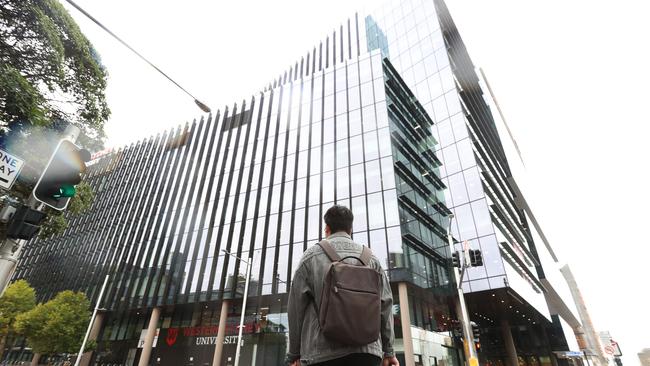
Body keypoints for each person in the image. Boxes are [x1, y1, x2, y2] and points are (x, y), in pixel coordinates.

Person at [286, 205, 399, 366]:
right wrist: (388, 351)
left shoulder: (311, 257)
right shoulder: (372, 259)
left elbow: (296, 310)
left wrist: (294, 354)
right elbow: (385, 306)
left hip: (321, 354)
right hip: (367, 354)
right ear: (350, 229)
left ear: (327, 229)